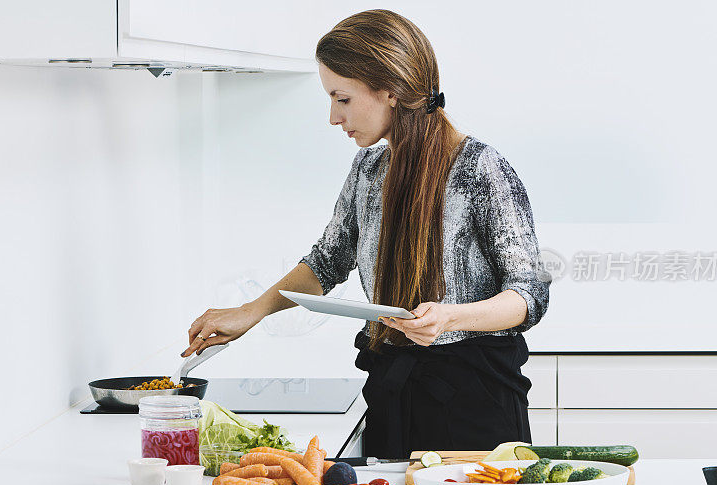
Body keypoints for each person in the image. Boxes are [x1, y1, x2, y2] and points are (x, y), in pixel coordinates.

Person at [179, 9, 551, 458]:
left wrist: (451, 317)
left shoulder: (480, 169)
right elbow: (328, 260)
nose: (333, 117)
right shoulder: (369, 169)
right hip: (393, 390)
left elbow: (529, 296)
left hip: (475, 400)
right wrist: (252, 311)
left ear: (390, 91)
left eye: (342, 98)